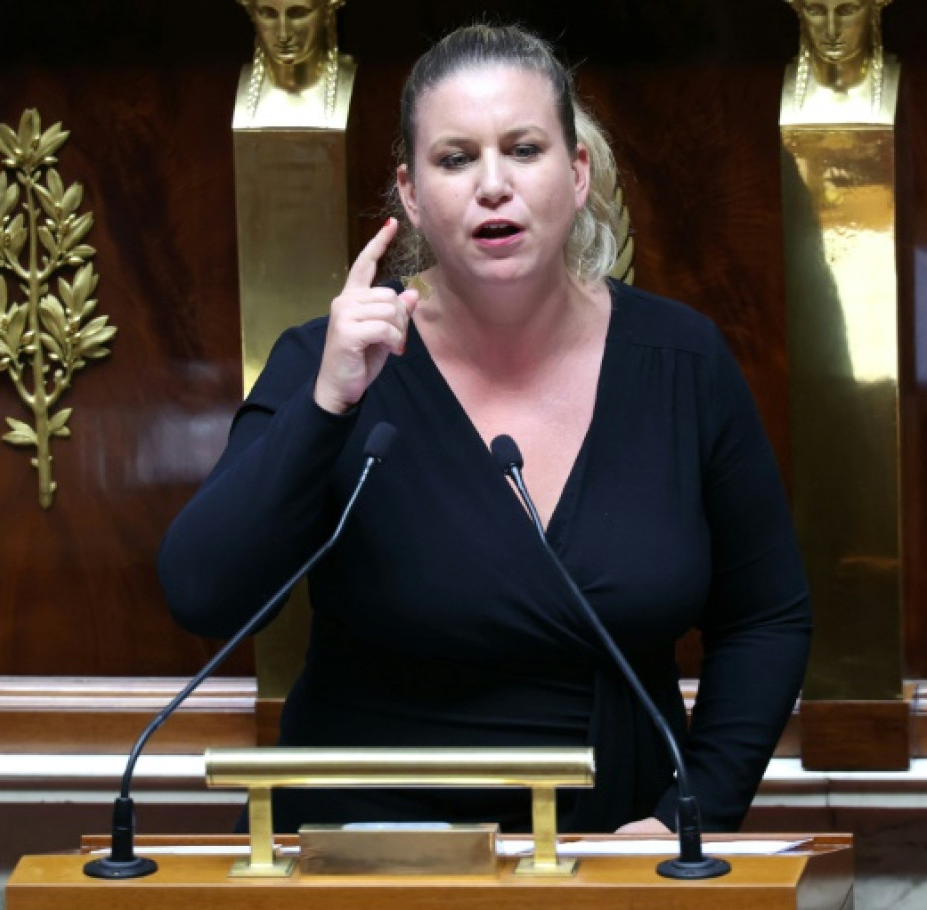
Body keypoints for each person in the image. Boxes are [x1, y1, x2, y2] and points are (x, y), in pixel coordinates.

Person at [159, 23, 811, 835]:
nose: (492, 185)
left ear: (577, 176)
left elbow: (764, 616)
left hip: (614, 848)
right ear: (409, 194)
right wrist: (328, 406)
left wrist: (699, 810)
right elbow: (203, 593)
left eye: (525, 149)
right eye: (456, 158)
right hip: (367, 850)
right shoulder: (327, 360)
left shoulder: (682, 361)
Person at [235, 0, 354, 127]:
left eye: (298, 13)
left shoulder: (359, 85)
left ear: (327, 11)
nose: (283, 35)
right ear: (252, 13)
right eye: (268, 14)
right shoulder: (229, 86)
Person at [783, 0, 898, 121]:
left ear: (873, 11)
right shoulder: (774, 81)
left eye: (847, 11)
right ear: (801, 12)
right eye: (816, 11)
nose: (832, 32)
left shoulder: (901, 82)